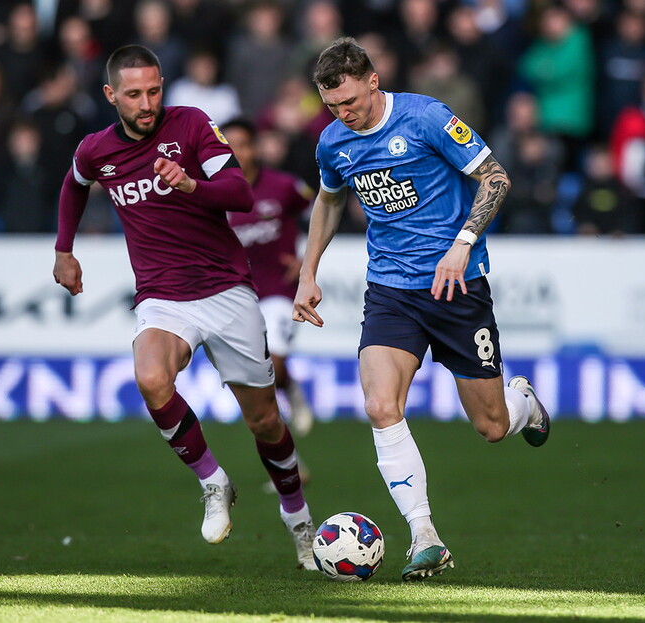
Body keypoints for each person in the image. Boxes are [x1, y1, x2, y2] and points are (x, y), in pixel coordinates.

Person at [294, 37, 551, 582]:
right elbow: (330, 199)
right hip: (390, 291)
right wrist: (308, 271)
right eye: (332, 107)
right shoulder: (333, 142)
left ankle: (521, 402)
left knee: (490, 426)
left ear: (372, 81)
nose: (344, 115)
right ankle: (425, 536)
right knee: (380, 405)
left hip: (457, 288)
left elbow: (496, 177)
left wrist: (462, 243)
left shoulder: (427, 117)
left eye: (351, 103)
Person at [51, 45, 317, 570]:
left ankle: (299, 519)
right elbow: (74, 185)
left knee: (264, 421)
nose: (147, 103)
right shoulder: (95, 150)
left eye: (153, 90)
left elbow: (239, 192)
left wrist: (191, 184)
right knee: (151, 378)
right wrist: (64, 249)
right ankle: (214, 482)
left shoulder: (192, 125)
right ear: (111, 95)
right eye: (133, 94)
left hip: (227, 291)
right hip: (163, 296)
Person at [222, 118, 315, 439]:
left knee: (271, 361)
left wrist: (308, 259)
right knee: (257, 371)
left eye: (242, 145)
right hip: (236, 293)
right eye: (228, 146)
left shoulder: (284, 186)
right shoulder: (212, 194)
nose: (236, 153)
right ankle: (289, 394)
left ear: (254, 148)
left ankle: (281, 427)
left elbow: (322, 211)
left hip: (279, 288)